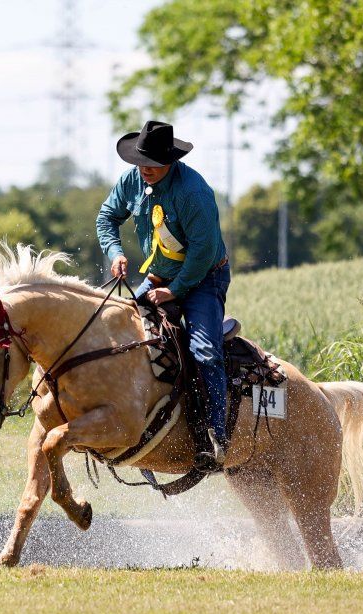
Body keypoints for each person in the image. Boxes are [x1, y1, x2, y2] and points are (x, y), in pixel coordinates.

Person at [95, 120, 230, 471]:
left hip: (204, 279)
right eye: (142, 162)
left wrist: (174, 291)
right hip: (159, 277)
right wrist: (115, 253)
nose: (146, 169)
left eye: (153, 163)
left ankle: (217, 436)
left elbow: (203, 251)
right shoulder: (132, 180)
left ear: (170, 161)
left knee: (205, 351)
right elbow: (107, 217)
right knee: (119, 336)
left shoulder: (193, 193)